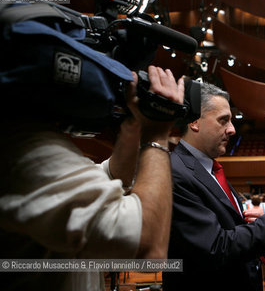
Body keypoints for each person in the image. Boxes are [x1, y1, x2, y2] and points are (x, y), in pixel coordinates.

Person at [0, 65, 184, 291]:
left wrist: (135, 123)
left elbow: (114, 174)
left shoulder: (30, 144)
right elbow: (149, 251)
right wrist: (157, 133)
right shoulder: (25, 149)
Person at [162, 83, 265, 291]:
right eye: (223, 120)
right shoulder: (175, 171)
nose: (232, 129)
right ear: (195, 122)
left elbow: (228, 230)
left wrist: (255, 221)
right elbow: (216, 247)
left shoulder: (209, 169)